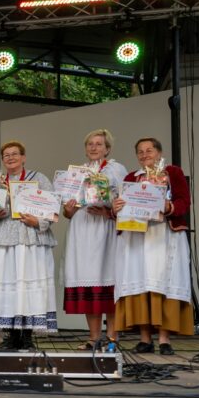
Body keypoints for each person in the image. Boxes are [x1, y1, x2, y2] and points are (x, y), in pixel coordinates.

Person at [112, 137, 193, 355]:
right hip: (137, 237)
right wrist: (116, 207)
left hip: (164, 235)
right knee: (141, 284)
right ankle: (145, 339)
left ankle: (165, 339)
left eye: (149, 150)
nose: (145, 154)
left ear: (158, 152)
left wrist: (169, 206)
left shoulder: (172, 173)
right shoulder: (131, 178)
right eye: (140, 151)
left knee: (163, 283)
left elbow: (185, 201)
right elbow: (121, 209)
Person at [0, 141, 58, 349]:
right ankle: (12, 335)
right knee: (8, 287)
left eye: (15, 154)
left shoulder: (39, 179)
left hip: (30, 239)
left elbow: (52, 209)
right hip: (4, 241)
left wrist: (38, 222)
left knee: (27, 286)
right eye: (6, 155)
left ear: (23, 157)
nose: (10, 158)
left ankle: (26, 336)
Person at [63, 129, 128, 349]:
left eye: (99, 144)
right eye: (90, 144)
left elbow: (125, 202)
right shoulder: (75, 173)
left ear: (107, 148)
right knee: (88, 283)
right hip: (81, 230)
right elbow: (67, 212)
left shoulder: (116, 169)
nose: (93, 147)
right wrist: (69, 209)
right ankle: (93, 338)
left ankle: (111, 337)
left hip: (105, 229)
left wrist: (109, 209)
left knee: (107, 281)